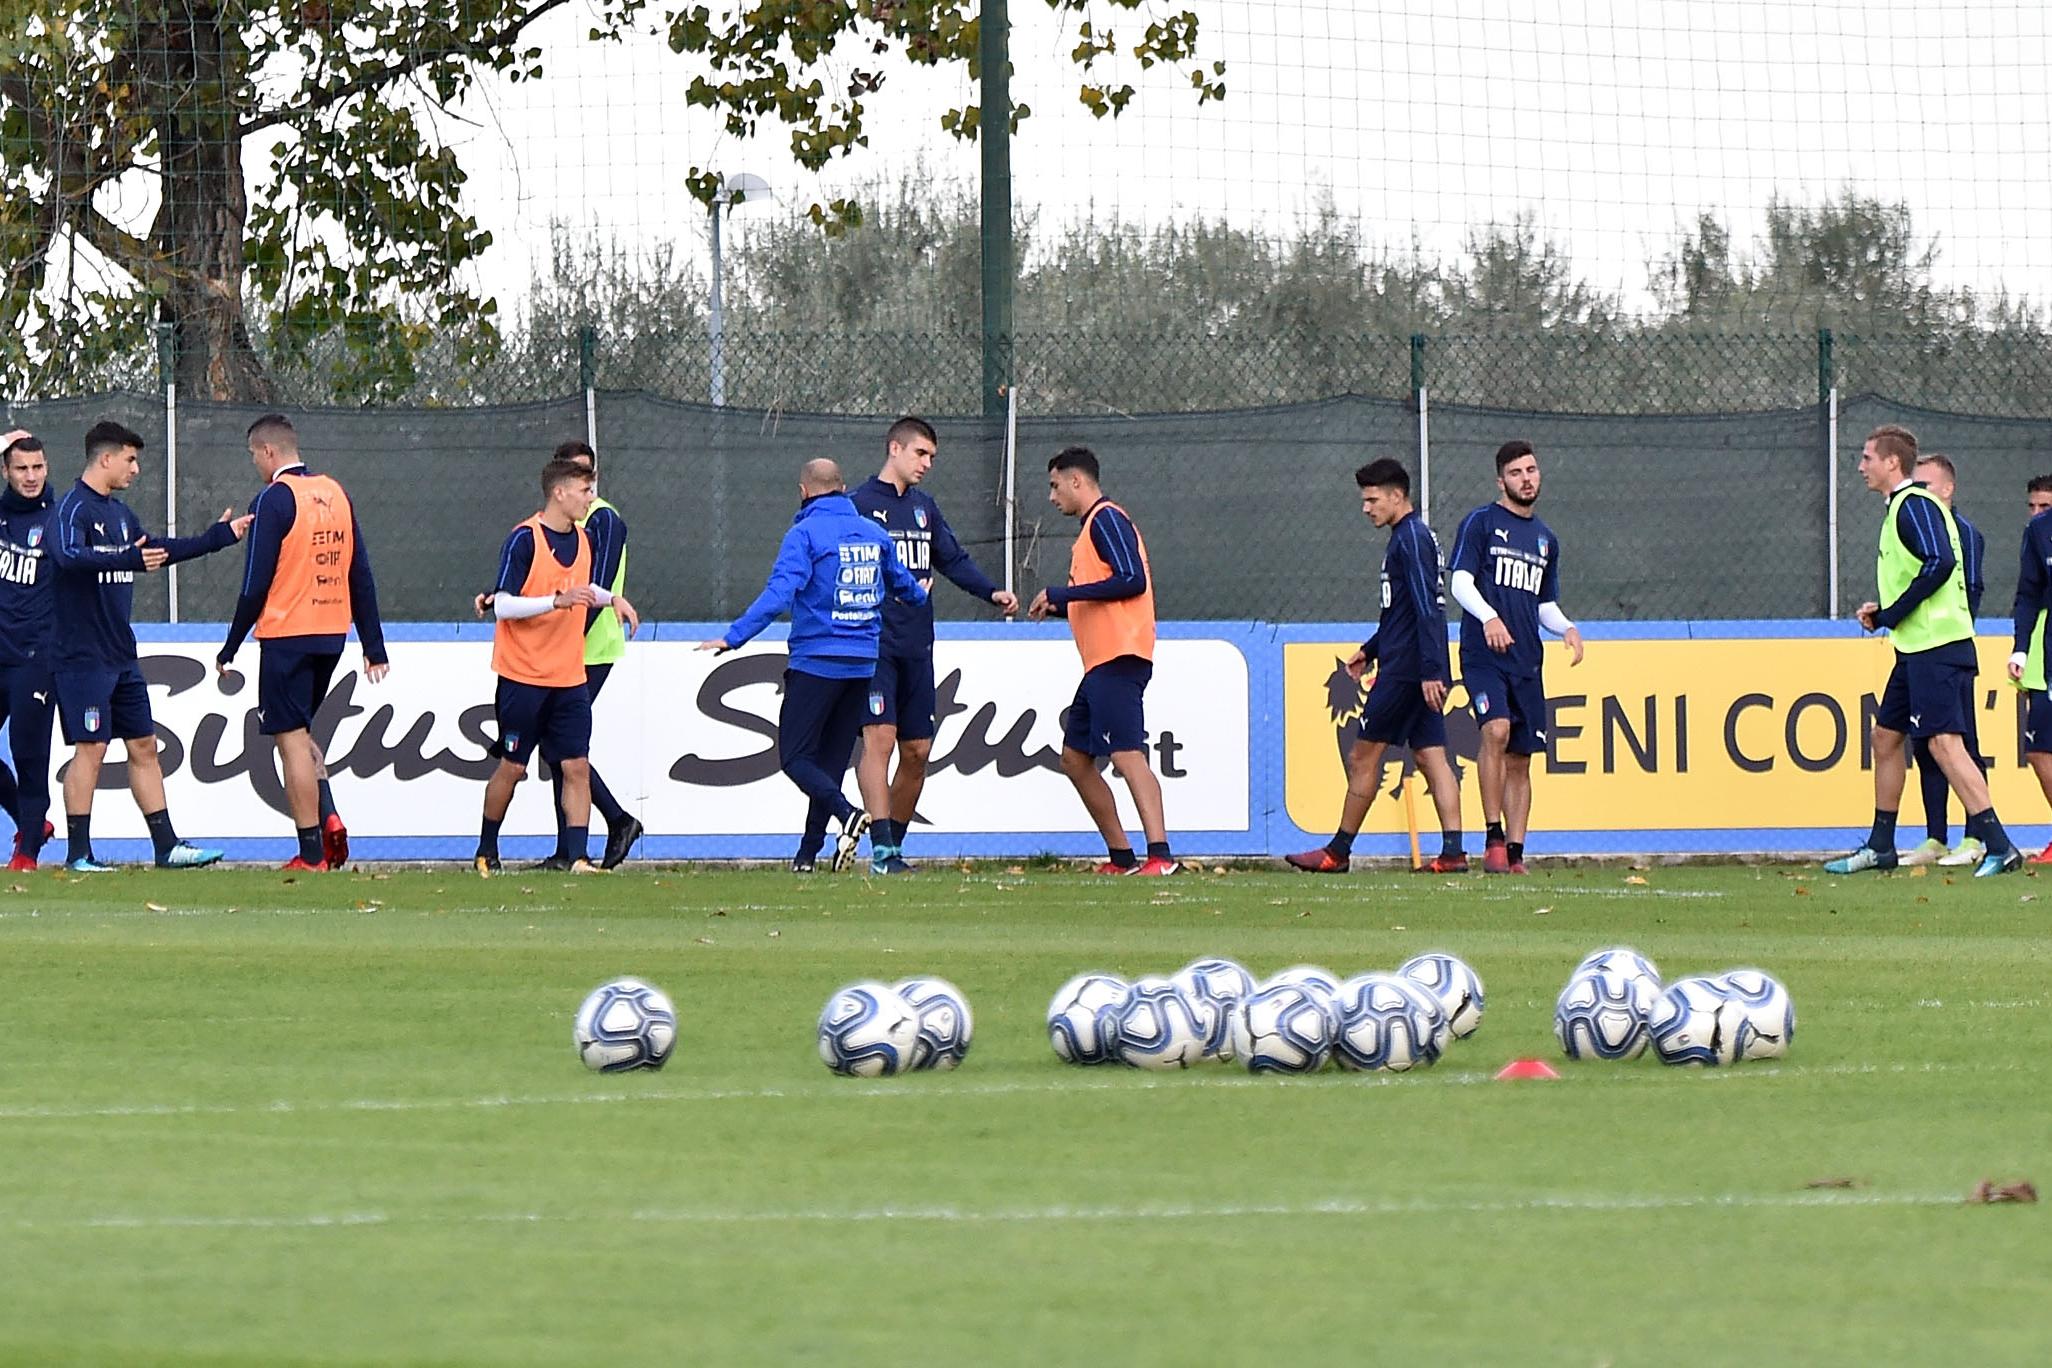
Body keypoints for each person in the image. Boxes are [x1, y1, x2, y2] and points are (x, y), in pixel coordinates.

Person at [793, 416, 1018, 874]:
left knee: (918, 752)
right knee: (880, 739)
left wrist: (992, 592)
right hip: (871, 645)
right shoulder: (854, 506)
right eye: (921, 453)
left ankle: (892, 845)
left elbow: (952, 559)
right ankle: (880, 850)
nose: (927, 463)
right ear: (894, 448)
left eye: (932, 456)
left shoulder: (924, 508)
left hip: (917, 646)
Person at [698, 458, 926, 873]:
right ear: (842, 489)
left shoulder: (803, 534)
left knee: (795, 757)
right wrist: (918, 595)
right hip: (861, 665)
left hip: (816, 662)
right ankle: (807, 856)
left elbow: (779, 594)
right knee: (831, 763)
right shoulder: (873, 534)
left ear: (804, 492)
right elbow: (907, 589)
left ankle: (848, 814)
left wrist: (734, 637)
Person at [47, 419, 250, 871]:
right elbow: (66, 555)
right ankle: (79, 854)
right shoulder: (71, 510)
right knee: (92, 750)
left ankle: (167, 846)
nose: (136, 469)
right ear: (105, 458)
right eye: (130, 459)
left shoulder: (121, 515)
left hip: (121, 655)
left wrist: (216, 539)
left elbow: (155, 551)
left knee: (144, 745)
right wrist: (125, 558)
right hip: (80, 656)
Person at [1827, 424, 2019, 877]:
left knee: (1944, 744)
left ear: (1892, 462)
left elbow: (1941, 561)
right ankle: (1880, 846)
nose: (1861, 466)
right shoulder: (1901, 508)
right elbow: (1926, 567)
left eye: (1867, 457)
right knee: (1885, 737)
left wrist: (1892, 614)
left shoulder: (1913, 505)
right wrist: (1888, 613)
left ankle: (1998, 843)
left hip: (1936, 645)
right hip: (1916, 647)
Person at [216, 414, 389, 871]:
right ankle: (328, 814)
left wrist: (231, 644)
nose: (255, 462)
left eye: (255, 454)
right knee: (304, 732)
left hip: (286, 632)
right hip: (331, 631)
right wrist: (373, 644)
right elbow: (360, 572)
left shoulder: (275, 498)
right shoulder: (335, 491)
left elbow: (255, 582)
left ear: (268, 452)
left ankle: (311, 851)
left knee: (289, 740)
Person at [1286, 458, 1467, 874]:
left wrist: (1429, 671)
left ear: (1397, 496)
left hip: (1407, 672)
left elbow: (1427, 609)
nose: (1366, 508)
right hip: (1412, 663)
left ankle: (1337, 852)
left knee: (1362, 756)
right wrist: (1370, 649)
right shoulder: (1409, 537)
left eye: (1372, 500)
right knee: (1430, 756)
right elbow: (1403, 613)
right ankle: (1453, 853)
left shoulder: (1410, 539)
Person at [474, 457, 639, 877]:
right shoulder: (524, 539)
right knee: (512, 767)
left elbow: (586, 588)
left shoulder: (584, 540)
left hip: (568, 677)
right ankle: (486, 850)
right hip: (523, 677)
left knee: (575, 765)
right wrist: (556, 601)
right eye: (584, 491)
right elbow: (504, 604)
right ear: (559, 492)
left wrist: (612, 599)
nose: (590, 499)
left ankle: (578, 857)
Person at [1028, 446, 1178, 876]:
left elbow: (1130, 579)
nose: (1053, 496)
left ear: (1078, 481)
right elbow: (1101, 592)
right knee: (1075, 760)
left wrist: (1064, 594)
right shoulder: (1089, 528)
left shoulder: (1106, 518)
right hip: (1100, 662)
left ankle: (1161, 856)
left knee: (1129, 755)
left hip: (1120, 656)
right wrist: (1061, 606)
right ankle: (1122, 857)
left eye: (1056, 486)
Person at [1447, 439, 1584, 874]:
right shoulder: (1481, 523)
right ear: (1500, 480)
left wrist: (1568, 628)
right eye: (1516, 473)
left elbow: (1544, 604)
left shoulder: (1546, 539)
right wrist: (1489, 618)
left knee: (1521, 758)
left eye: (1531, 470)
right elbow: (1460, 584)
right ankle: (1493, 838)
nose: (1526, 479)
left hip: (1528, 660)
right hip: (1484, 655)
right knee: (1497, 730)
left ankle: (1517, 854)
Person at [1901, 454, 1988, 868]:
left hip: (1947, 651)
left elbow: (1968, 592)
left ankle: (1977, 835)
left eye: (1926, 486)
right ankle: (1936, 835)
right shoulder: (1915, 526)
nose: (1918, 494)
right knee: (1924, 742)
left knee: (1961, 740)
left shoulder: (1964, 533)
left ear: (1948, 489)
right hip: (1917, 648)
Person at [0, 431, 58, 869]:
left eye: (37, 467)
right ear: (5, 471)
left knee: (29, 752)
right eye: (21, 468)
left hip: (36, 657)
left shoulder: (59, 517)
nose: (31, 476)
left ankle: (27, 853)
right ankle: (29, 820)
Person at [2005, 474, 2052, 864]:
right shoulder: (2038, 536)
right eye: (2033, 506)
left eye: (2046, 507)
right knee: (2039, 751)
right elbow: (2027, 594)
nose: (2037, 515)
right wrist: (2020, 650)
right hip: (2042, 654)